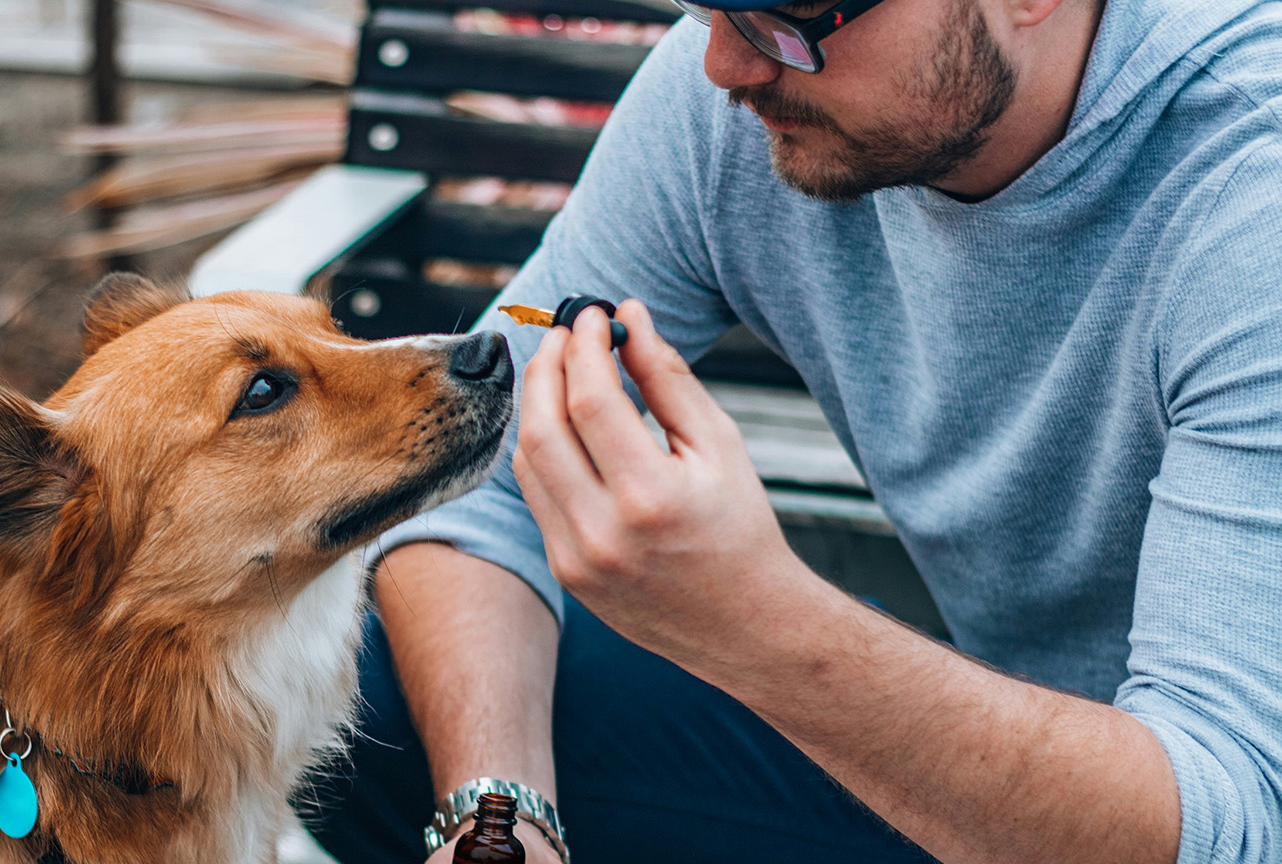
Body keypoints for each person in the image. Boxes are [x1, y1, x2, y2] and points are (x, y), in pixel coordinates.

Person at [301, 0, 1282, 862]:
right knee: (359, 699)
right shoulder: (739, 99)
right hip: (990, 736)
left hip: (1197, 808)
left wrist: (754, 619)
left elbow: (1227, 825)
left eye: (793, 5)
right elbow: (485, 485)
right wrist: (502, 824)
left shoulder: (1248, 189)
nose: (726, 64)